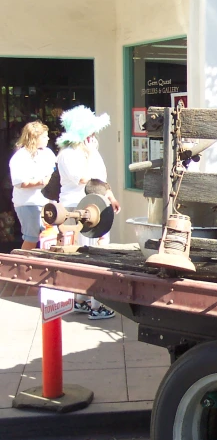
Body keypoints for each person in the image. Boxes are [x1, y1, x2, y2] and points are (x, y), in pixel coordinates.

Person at [56, 106, 120, 320]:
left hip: (98, 207)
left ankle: (84, 301)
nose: (93, 138)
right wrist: (91, 155)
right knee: (90, 254)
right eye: (90, 134)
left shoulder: (92, 153)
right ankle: (95, 303)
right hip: (79, 211)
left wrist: (110, 197)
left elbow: (100, 180)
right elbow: (84, 178)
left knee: (96, 252)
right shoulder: (67, 155)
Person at [9, 121, 55, 250]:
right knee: (31, 237)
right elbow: (20, 182)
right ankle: (21, 265)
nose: (48, 138)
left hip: (45, 201)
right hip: (27, 203)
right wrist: (41, 181)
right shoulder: (20, 157)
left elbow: (53, 171)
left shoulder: (48, 153)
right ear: (35, 137)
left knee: (52, 234)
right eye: (44, 136)